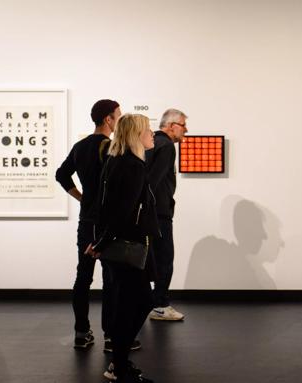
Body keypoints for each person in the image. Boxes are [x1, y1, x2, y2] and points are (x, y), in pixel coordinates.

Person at [86, 113, 157, 383]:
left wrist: (99, 241)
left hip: (116, 246)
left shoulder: (115, 162)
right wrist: (101, 243)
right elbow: (121, 212)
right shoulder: (133, 166)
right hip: (125, 246)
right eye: (148, 130)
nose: (152, 134)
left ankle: (118, 363)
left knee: (126, 303)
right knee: (140, 302)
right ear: (136, 135)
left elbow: (102, 207)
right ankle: (119, 364)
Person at [55, 99, 123, 349]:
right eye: (118, 115)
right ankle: (110, 336)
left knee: (83, 277)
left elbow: (61, 174)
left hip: (87, 220)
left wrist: (82, 198)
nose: (119, 119)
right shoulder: (111, 147)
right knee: (111, 278)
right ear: (108, 119)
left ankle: (81, 332)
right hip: (106, 222)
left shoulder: (80, 146)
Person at [146, 108, 187, 321]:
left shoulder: (153, 142)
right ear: (171, 126)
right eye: (183, 125)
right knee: (164, 259)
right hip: (158, 213)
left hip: (151, 212)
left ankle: (149, 303)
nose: (186, 130)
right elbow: (152, 181)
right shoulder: (167, 146)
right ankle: (160, 305)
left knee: (149, 260)